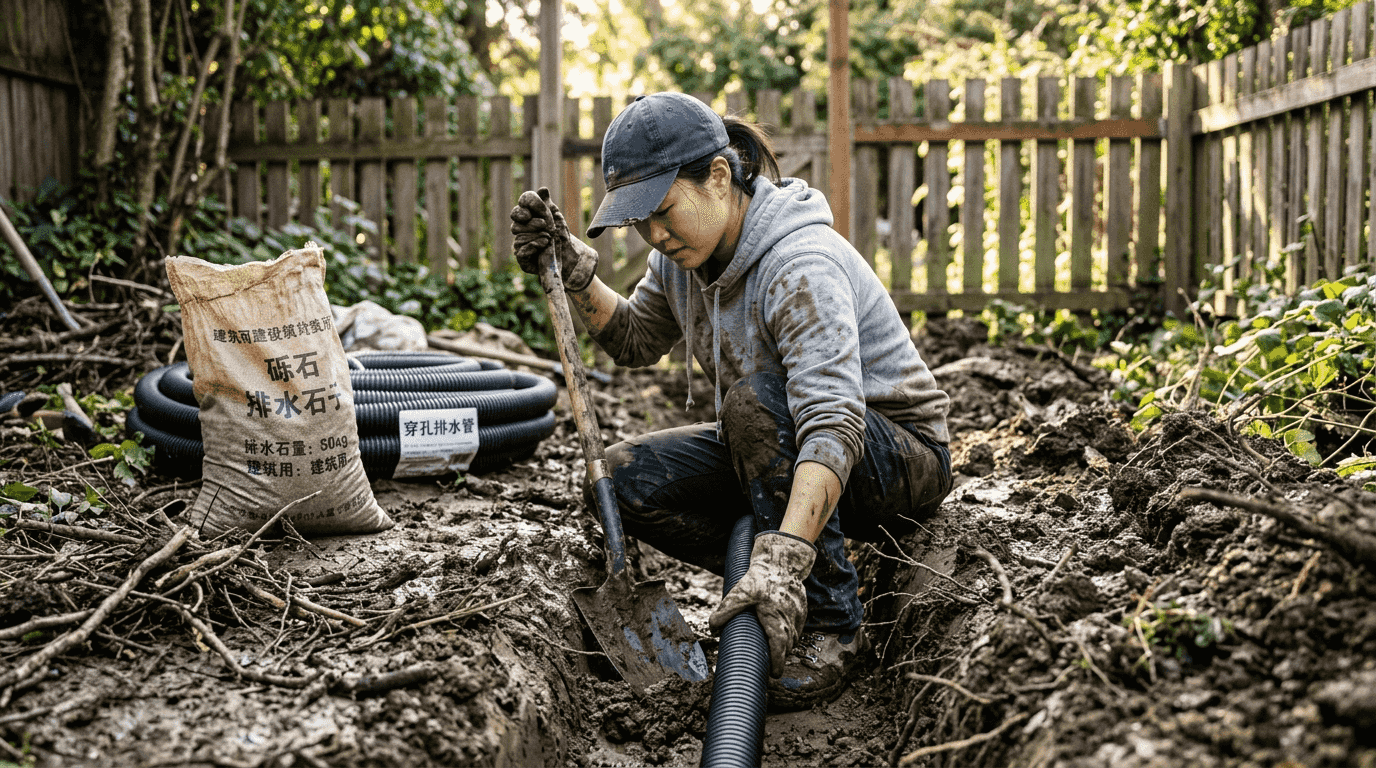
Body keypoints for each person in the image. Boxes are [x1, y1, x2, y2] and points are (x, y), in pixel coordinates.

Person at [510, 92, 952, 710]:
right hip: (777, 436)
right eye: (639, 222)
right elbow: (636, 339)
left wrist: (787, 558)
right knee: (619, 479)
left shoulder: (800, 264)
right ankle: (768, 564)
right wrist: (576, 273)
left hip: (893, 453)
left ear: (719, 176)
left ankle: (832, 622)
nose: (654, 236)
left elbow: (831, 420)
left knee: (751, 405)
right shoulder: (680, 261)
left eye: (662, 212)